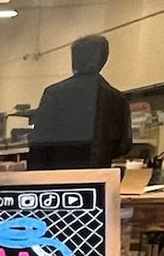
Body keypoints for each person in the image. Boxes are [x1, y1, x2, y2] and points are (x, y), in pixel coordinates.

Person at [27, 34, 132, 170]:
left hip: (57, 177)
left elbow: (39, 143)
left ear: (74, 60)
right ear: (103, 60)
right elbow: (123, 146)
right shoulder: (117, 99)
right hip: (97, 177)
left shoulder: (54, 93)